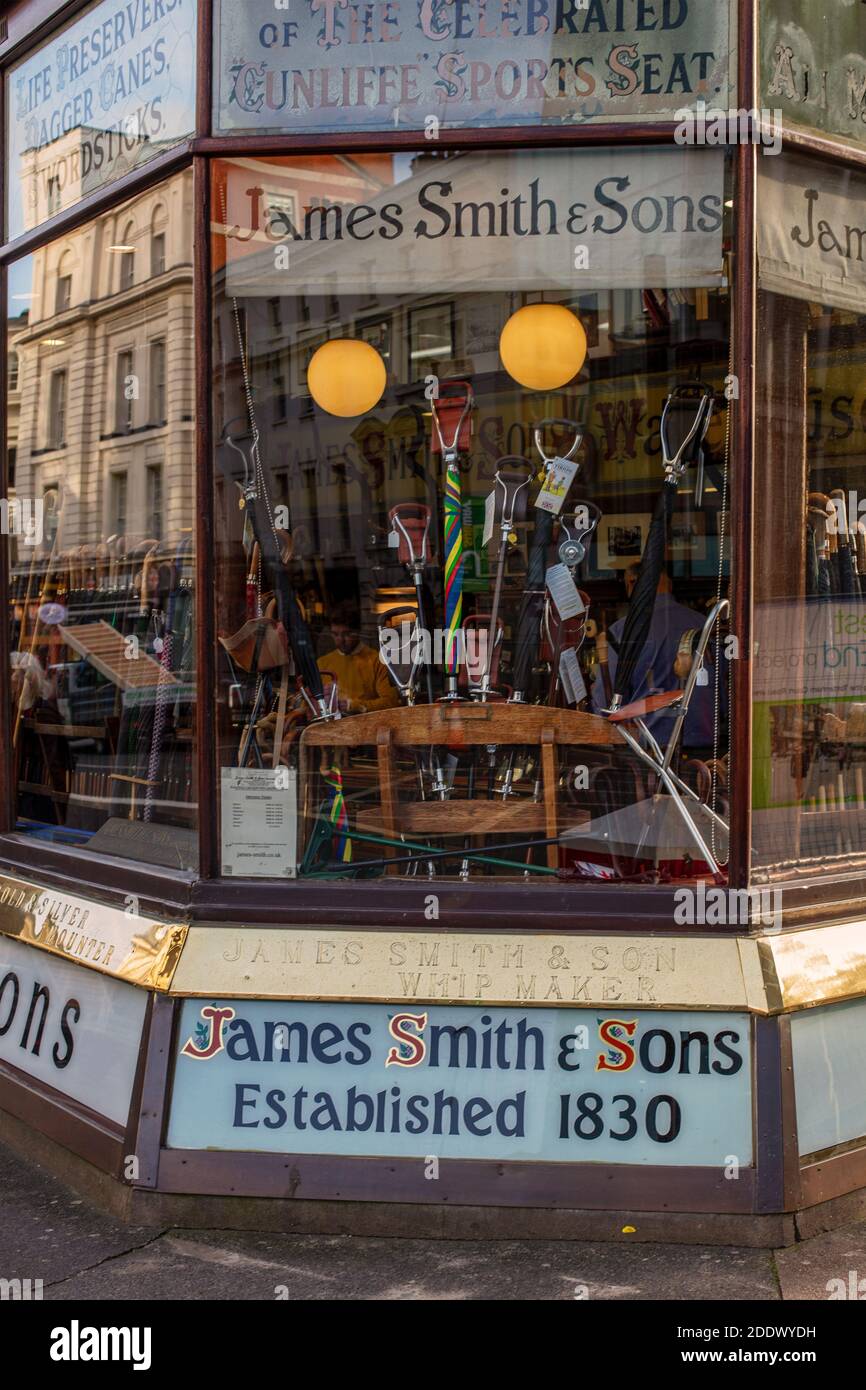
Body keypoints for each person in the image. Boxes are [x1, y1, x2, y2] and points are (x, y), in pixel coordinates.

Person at [592, 564, 723, 749]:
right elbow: (724, 693)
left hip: (649, 750)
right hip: (705, 745)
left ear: (632, 584)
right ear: (669, 586)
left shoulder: (622, 631)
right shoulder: (705, 625)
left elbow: (605, 704)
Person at [317, 603, 399, 714]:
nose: (340, 640)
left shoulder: (377, 660)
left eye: (346, 634)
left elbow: (391, 702)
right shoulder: (322, 663)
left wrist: (355, 705)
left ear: (358, 632)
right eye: (335, 634)